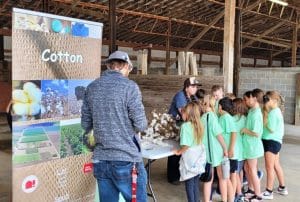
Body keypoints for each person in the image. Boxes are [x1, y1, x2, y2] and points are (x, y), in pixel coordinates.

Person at [81, 50, 148, 202]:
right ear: (125, 66)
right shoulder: (130, 87)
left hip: (101, 160)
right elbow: (141, 124)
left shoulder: (92, 87)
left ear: (109, 66)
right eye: (129, 69)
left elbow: (85, 124)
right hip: (127, 159)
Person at [167, 77, 201, 184]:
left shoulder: (193, 97)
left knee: (182, 148)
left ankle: (179, 172)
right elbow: (184, 113)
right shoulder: (180, 96)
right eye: (193, 86)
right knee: (175, 149)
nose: (195, 88)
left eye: (196, 87)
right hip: (174, 125)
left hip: (184, 125)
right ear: (186, 87)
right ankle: (173, 177)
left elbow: (198, 109)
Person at [173, 102, 205, 202]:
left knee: (189, 184)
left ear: (188, 114)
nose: (181, 114)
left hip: (190, 158)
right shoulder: (200, 124)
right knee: (195, 182)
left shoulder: (185, 126)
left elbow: (186, 145)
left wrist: (178, 152)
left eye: (183, 113)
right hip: (199, 156)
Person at [261, 91, 288, 200]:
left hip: (271, 142)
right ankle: (282, 187)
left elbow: (271, 129)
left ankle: (269, 191)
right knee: (276, 165)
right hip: (275, 142)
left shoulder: (272, 113)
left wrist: (264, 118)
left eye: (267, 100)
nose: (266, 102)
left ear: (274, 101)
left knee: (269, 167)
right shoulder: (276, 111)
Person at [201, 95, 228, 202]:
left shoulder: (202, 117)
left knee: (208, 179)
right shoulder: (212, 117)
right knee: (222, 177)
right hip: (216, 152)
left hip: (206, 152)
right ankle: (225, 200)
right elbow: (219, 135)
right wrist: (225, 148)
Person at [241, 91, 264, 201]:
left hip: (253, 147)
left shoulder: (256, 114)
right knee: (247, 168)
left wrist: (245, 130)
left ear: (253, 98)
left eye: (246, 99)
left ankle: (258, 195)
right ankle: (251, 189)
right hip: (249, 146)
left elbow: (256, 133)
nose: (245, 102)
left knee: (253, 170)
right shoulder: (252, 111)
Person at [218, 97, 237, 202]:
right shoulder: (223, 117)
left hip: (225, 152)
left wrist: (230, 149)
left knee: (225, 177)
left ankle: (230, 199)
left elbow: (234, 133)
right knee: (224, 177)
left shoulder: (226, 117)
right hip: (222, 151)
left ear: (220, 106)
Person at [232, 98, 248, 202]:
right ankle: (240, 188)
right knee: (240, 171)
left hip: (235, 150)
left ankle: (239, 194)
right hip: (242, 150)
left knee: (235, 173)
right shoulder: (245, 119)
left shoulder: (232, 119)